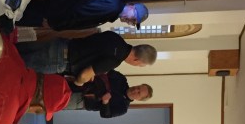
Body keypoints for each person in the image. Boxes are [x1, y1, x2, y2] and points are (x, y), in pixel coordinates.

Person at [17, 31, 156, 84]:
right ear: (137, 60)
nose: (136, 66)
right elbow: (84, 74)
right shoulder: (115, 60)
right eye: (139, 65)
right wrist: (80, 82)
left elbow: (92, 46)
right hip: (59, 61)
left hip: (61, 44)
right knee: (16, 65)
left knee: (14, 50)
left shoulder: (115, 37)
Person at [20, 0, 148, 31]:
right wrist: (54, 23)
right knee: (16, 14)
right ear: (132, 6)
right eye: (133, 18)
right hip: (53, 13)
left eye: (133, 22)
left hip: (55, 12)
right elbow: (79, 12)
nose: (130, 21)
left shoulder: (113, 10)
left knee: (18, 14)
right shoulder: (112, 7)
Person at [66, 70, 152, 118]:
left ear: (139, 99)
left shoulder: (123, 108)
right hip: (81, 82)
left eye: (139, 93)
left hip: (82, 100)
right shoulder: (122, 79)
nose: (136, 90)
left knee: (58, 100)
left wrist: (105, 102)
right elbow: (105, 69)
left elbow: (105, 115)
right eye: (138, 87)